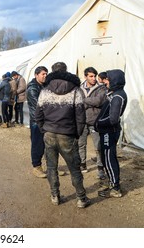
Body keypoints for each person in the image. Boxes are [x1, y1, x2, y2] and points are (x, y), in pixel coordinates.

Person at [35, 62, 90, 208]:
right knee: (74, 168)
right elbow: (80, 116)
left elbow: (38, 114)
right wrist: (76, 134)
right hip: (67, 134)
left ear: (52, 72)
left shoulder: (45, 91)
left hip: (49, 134)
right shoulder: (76, 90)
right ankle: (81, 198)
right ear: (66, 71)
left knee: (51, 167)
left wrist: (44, 129)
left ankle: (55, 196)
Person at [95, 69, 127, 198]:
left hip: (109, 132)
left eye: (107, 79)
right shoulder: (114, 93)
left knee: (108, 159)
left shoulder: (118, 96)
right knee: (107, 158)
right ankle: (113, 183)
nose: (105, 81)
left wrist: (99, 123)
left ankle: (115, 188)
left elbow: (113, 119)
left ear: (114, 80)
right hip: (107, 131)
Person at [78, 67, 107, 178]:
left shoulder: (101, 88)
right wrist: (91, 102)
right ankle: (82, 164)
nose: (94, 78)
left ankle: (100, 168)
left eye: (95, 76)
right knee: (81, 144)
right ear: (85, 77)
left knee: (98, 146)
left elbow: (99, 101)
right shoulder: (79, 88)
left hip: (95, 121)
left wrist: (84, 101)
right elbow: (77, 103)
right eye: (91, 76)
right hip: (82, 121)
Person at [27, 66, 48, 178]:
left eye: (46, 74)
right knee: (37, 145)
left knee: (49, 145)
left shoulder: (44, 86)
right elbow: (39, 106)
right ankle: (36, 167)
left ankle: (51, 167)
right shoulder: (32, 88)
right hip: (37, 121)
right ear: (36, 75)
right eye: (43, 74)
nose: (45, 76)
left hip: (47, 120)